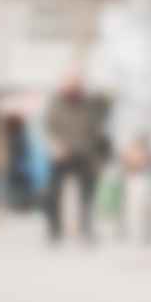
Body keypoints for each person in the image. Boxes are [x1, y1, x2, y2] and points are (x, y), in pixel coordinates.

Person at [44, 74, 104, 242]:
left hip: (84, 153)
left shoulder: (89, 104)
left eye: (78, 85)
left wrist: (96, 155)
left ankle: (86, 229)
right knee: (53, 192)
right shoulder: (56, 103)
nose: (75, 88)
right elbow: (49, 127)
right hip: (61, 153)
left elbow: (96, 130)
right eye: (71, 85)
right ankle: (54, 230)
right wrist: (55, 145)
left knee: (88, 194)